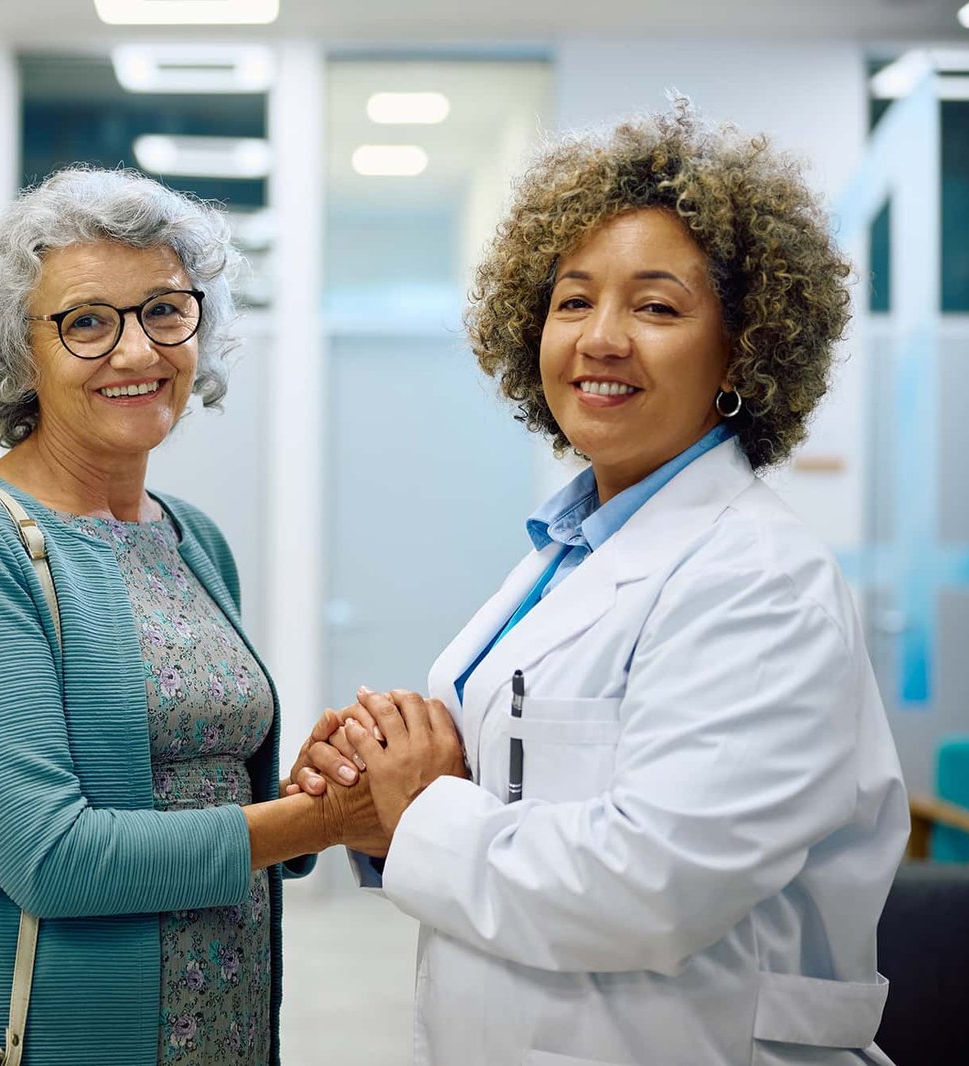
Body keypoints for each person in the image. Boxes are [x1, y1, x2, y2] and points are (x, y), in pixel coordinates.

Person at [292, 104, 909, 1066]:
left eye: (656, 307)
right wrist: (379, 791)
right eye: (573, 301)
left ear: (744, 349)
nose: (601, 338)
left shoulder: (758, 579)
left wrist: (420, 808)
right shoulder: (564, 551)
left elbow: (653, 884)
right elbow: (498, 788)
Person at [0, 167, 372, 1066]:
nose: (136, 351)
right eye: (85, 322)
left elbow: (210, 802)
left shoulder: (194, 538)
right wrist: (321, 825)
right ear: (20, 352)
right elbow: (51, 856)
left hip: (229, 1030)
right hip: (57, 1036)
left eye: (163, 310)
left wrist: (306, 790)